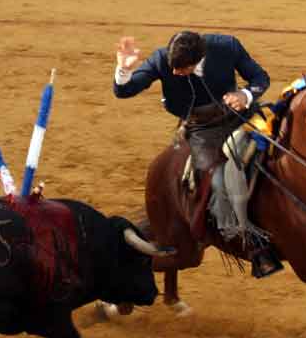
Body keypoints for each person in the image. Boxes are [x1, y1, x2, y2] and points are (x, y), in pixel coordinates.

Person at [112, 31, 270, 245]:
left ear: (199, 58)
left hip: (239, 115)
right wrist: (124, 70)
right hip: (202, 128)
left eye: (182, 68)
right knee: (216, 177)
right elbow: (124, 91)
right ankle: (237, 232)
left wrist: (245, 95)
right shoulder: (162, 59)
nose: (175, 73)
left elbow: (260, 78)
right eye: (173, 67)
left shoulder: (227, 46)